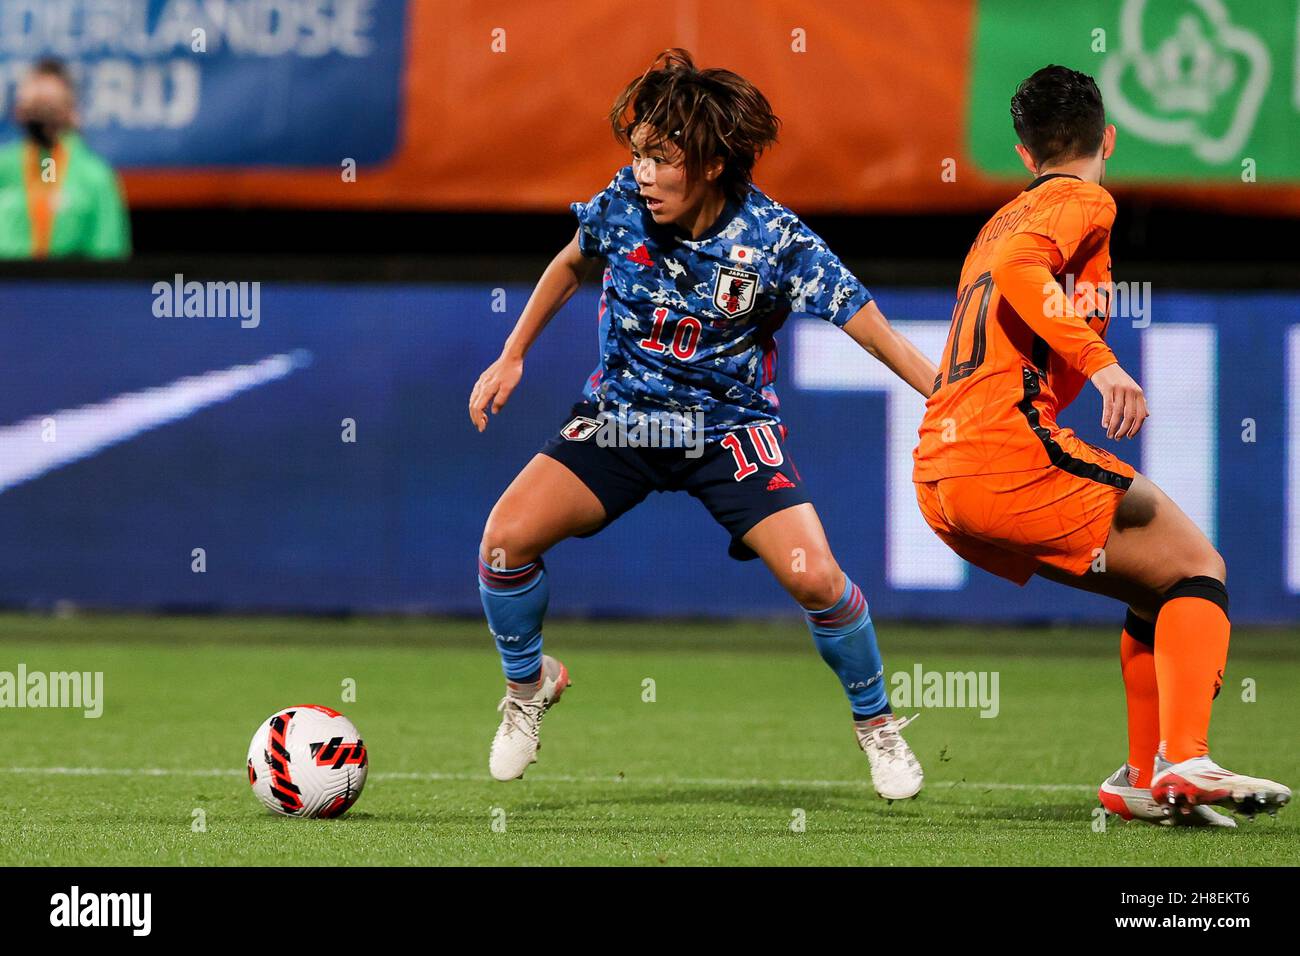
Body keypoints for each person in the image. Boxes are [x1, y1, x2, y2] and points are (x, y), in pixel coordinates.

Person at [469, 49, 937, 799]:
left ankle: (877, 728)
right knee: (503, 542)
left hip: (727, 432)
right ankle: (529, 690)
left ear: (714, 163)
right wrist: (512, 353)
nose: (643, 173)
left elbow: (873, 330)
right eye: (638, 155)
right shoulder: (623, 201)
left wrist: (944, 396)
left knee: (816, 577)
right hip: (621, 421)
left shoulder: (777, 241)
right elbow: (570, 261)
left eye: (662, 158)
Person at [912, 65, 1290, 825]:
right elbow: (1025, 275)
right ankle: (1184, 758)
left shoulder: (997, 222)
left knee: (1158, 581)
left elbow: (1013, 276)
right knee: (1198, 567)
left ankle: (1141, 781)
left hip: (941, 467)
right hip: (1004, 450)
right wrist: (1106, 365)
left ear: (1022, 154)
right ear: (1107, 137)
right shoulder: (1084, 198)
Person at [0, 58, 130, 259]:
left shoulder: (94, 176)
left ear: (70, 112)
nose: (41, 115)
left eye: (49, 105)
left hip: (69, 287)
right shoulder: (4, 166)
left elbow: (109, 257)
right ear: (19, 111)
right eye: (33, 105)